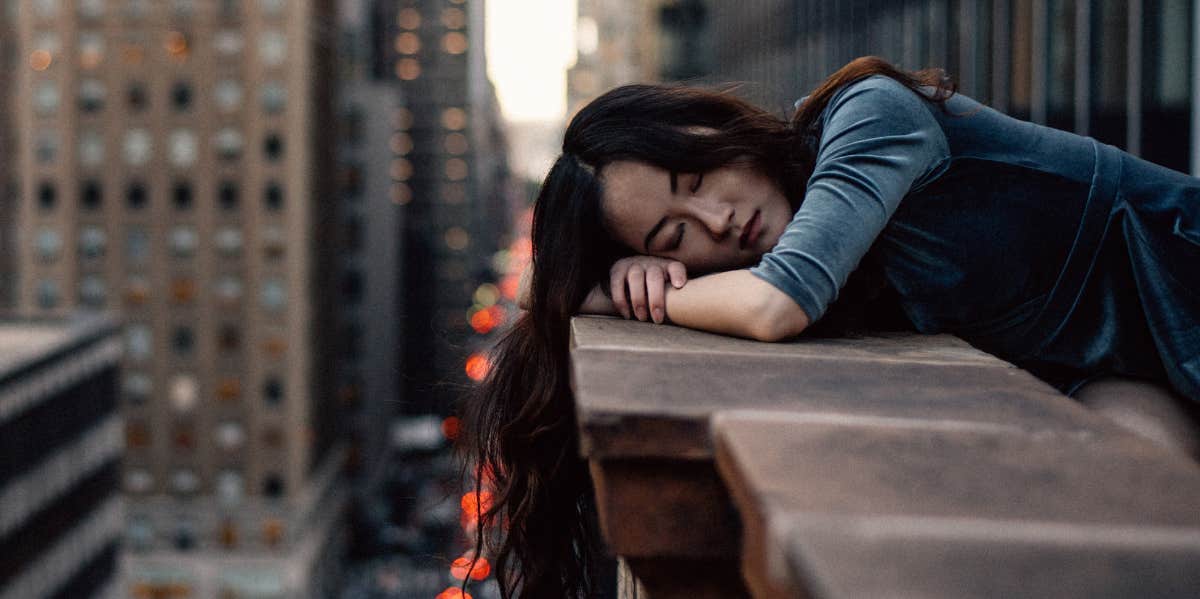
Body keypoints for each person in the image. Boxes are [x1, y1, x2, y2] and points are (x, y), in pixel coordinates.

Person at [459, 56, 1200, 598]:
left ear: (715, 129)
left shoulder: (869, 115)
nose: (719, 220)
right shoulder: (830, 253)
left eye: (695, 180)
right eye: (674, 239)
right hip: (1115, 367)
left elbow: (778, 305)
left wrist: (632, 299)